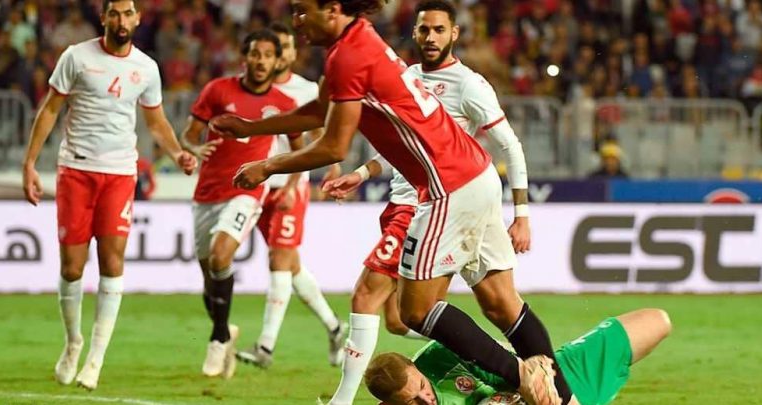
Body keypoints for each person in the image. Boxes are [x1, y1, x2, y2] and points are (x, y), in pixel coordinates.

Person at [210, 1, 563, 404]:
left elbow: (334, 145)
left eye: (303, 11)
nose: (296, 21)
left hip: (449, 186)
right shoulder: (359, 42)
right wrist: (254, 127)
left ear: (333, 9)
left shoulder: (351, 55)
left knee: (414, 311)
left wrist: (267, 166)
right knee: (500, 304)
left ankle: (523, 376)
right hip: (473, 176)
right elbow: (322, 110)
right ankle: (564, 396)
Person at [320, 1, 537, 403]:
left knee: (368, 295)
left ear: (454, 33)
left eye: (439, 30)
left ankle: (342, 400)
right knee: (398, 319)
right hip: (404, 201)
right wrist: (363, 173)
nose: (431, 37)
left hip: (432, 205)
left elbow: (510, 145)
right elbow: (401, 143)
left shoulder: (469, 84)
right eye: (424, 30)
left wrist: (521, 213)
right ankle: (496, 362)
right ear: (414, 33)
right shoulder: (406, 77)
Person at [21, 0, 197, 390]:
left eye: (128, 13)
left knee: (112, 262)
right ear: (103, 17)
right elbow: (50, 109)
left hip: (119, 173)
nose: (121, 20)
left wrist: (177, 153)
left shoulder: (146, 68)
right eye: (114, 13)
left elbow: (156, 122)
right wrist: (30, 162)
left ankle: (96, 358)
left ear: (138, 18)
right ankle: (73, 343)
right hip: (76, 170)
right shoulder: (76, 57)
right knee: (71, 268)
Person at [180, 29, 303, 378]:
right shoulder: (217, 90)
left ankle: (217, 340)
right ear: (244, 57)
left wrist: (291, 186)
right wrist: (193, 149)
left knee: (222, 256)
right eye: (255, 54)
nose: (261, 61)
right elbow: (188, 135)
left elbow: (301, 151)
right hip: (207, 193)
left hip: (246, 192)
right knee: (210, 281)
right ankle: (225, 331)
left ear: (277, 61)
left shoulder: (283, 104)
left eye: (268, 55)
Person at [236, 22, 347, 370]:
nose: (280, 54)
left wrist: (316, 174)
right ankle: (335, 327)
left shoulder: (304, 90)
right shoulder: (255, 89)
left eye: (285, 47)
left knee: (279, 260)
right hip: (260, 187)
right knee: (291, 265)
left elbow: (321, 133)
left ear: (292, 53)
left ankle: (265, 346)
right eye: (275, 49)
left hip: (290, 184)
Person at [364, 308, 672, 405]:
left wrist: (535, 384)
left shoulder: (440, 356)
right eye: (412, 403)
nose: (426, 400)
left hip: (540, 393)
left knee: (656, 321)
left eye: (422, 386)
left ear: (414, 367)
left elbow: (509, 366)